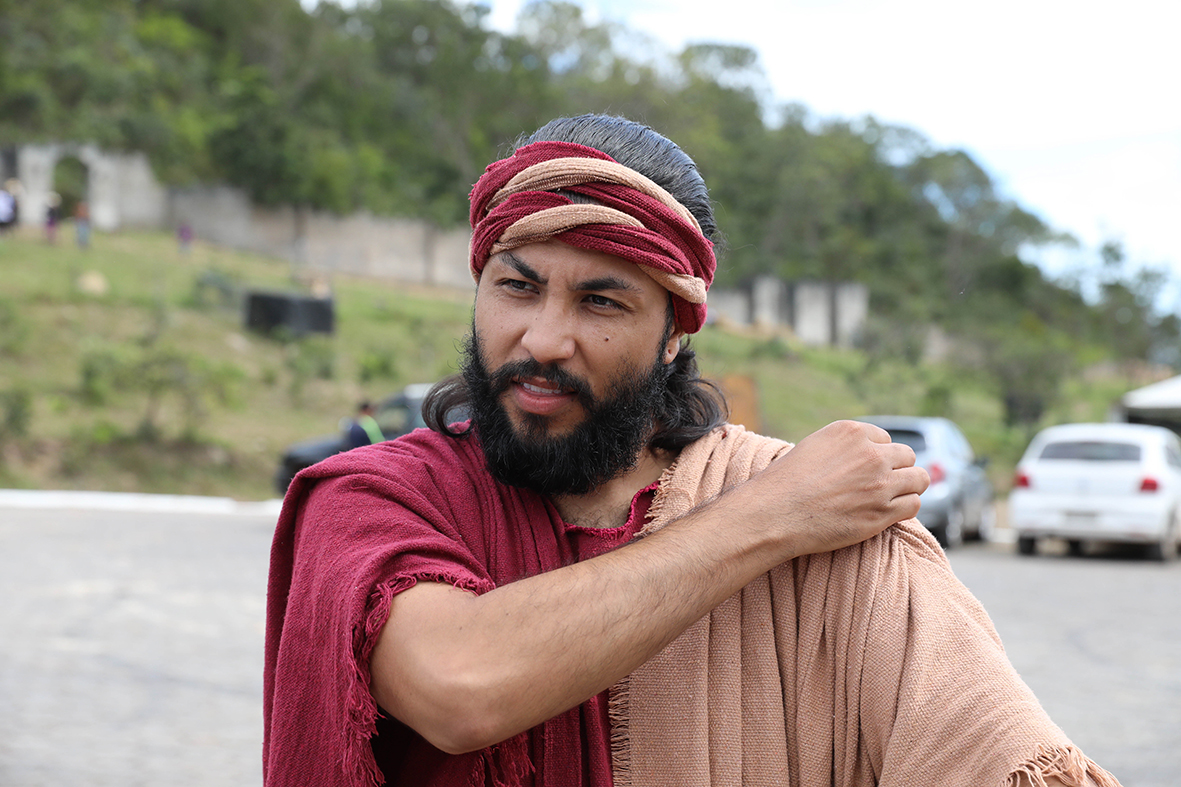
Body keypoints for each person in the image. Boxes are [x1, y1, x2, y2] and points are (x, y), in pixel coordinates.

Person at [264, 115, 1120, 787]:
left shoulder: (839, 541)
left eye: (601, 302)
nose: (545, 337)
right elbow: (457, 683)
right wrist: (771, 516)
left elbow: (1000, 756)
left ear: (674, 333)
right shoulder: (370, 497)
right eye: (516, 286)